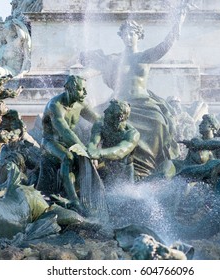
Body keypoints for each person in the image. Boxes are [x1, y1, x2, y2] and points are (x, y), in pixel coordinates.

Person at [80, 4, 190, 180]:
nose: (129, 37)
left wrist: (178, 23)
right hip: (119, 105)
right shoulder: (114, 59)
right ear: (121, 37)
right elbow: (93, 70)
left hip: (143, 103)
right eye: (125, 34)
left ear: (139, 35)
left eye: (132, 34)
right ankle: (105, 166)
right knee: (91, 121)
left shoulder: (144, 56)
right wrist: (79, 78)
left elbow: (165, 46)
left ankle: (152, 169)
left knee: (159, 123)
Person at [36, 75, 99, 213]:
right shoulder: (55, 105)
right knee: (68, 157)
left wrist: (96, 143)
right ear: (71, 89)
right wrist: (83, 149)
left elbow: (98, 121)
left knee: (78, 159)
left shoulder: (80, 103)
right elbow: (64, 131)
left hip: (68, 144)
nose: (86, 93)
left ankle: (83, 195)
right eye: (82, 90)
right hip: (50, 142)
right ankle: (74, 201)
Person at [176, 114, 220, 183]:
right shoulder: (196, 140)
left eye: (203, 123)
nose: (200, 125)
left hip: (202, 180)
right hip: (184, 173)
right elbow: (201, 145)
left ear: (211, 127)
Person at [87, 99, 140, 186]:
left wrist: (98, 153)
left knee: (123, 197)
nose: (105, 112)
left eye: (110, 111)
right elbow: (93, 142)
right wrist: (93, 154)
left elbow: (120, 151)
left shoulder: (132, 133)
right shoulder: (100, 124)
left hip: (124, 175)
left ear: (120, 117)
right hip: (107, 168)